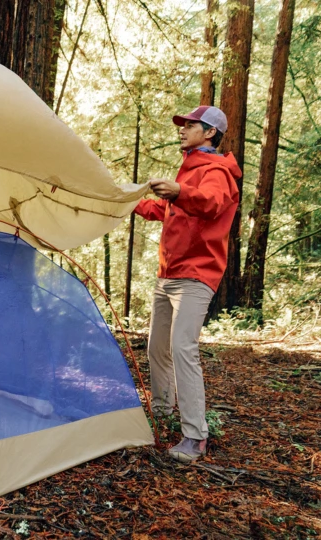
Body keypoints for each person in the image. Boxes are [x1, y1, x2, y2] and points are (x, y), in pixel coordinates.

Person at [134, 106, 242, 463]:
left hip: (196, 277)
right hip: (167, 275)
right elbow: (164, 211)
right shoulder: (190, 168)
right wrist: (130, 202)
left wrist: (179, 190)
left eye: (190, 125)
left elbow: (210, 204)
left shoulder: (217, 171)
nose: (182, 130)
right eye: (182, 125)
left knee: (183, 348)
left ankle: (195, 437)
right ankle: (162, 415)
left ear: (209, 132)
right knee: (157, 349)